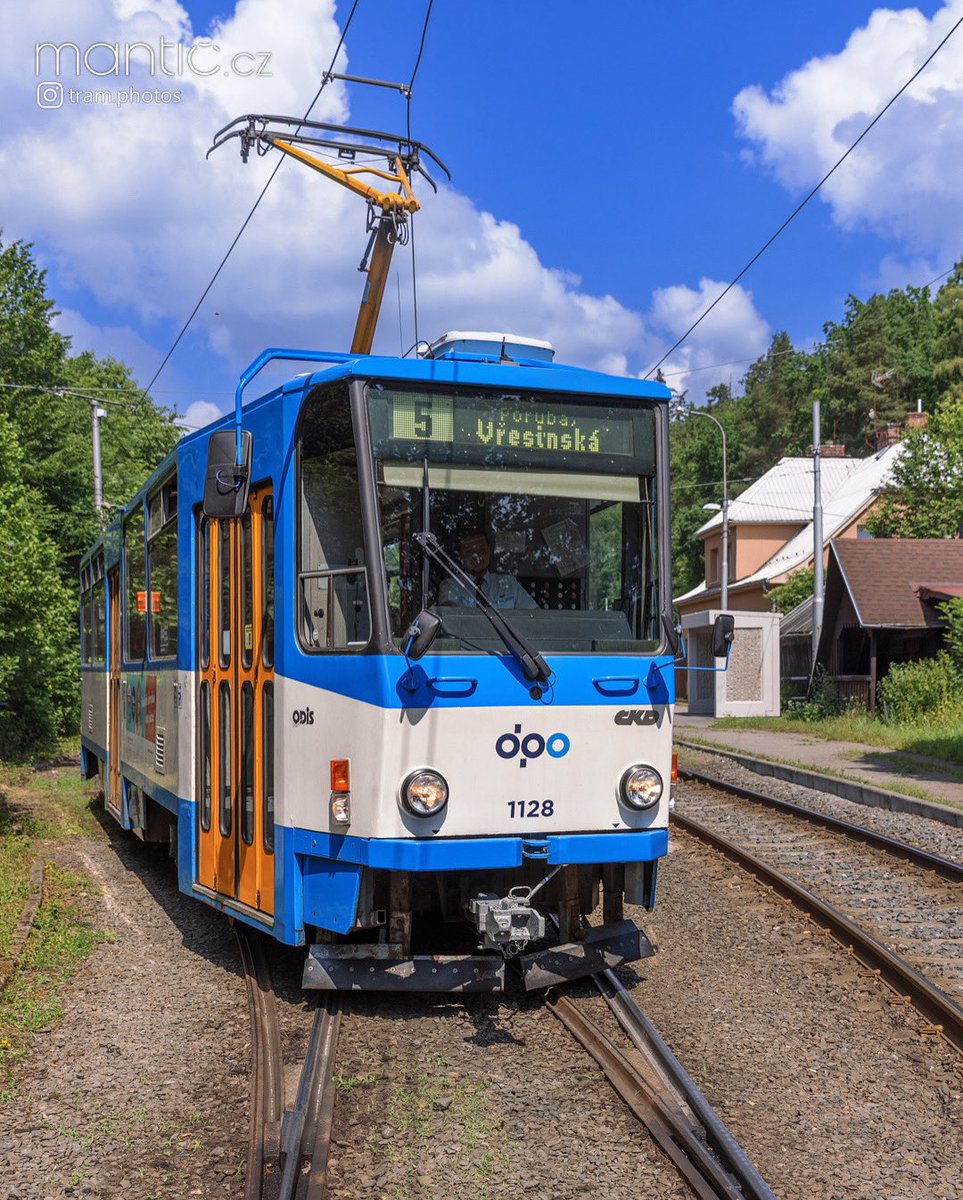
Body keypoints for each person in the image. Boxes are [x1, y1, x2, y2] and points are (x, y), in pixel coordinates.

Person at [439, 532, 538, 609]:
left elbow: (534, 617)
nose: (476, 556)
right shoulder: (451, 586)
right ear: (461, 557)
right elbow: (449, 618)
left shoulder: (509, 583)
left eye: (481, 550)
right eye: (469, 552)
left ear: (489, 552)